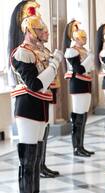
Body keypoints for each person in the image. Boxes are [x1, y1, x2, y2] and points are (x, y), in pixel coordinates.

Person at [9, 1, 63, 193]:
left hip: (40, 106)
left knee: (38, 154)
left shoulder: (40, 51)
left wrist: (52, 62)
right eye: (40, 29)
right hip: (28, 107)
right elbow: (36, 83)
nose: (44, 31)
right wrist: (55, 63)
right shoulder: (22, 53)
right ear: (30, 31)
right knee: (28, 156)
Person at [63, 20, 95, 157]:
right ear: (76, 38)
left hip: (85, 83)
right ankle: (76, 147)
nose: (85, 39)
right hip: (77, 84)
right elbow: (80, 69)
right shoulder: (71, 51)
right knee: (78, 116)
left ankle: (81, 145)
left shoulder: (84, 50)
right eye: (83, 37)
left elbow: (89, 68)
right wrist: (91, 57)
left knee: (83, 115)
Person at [36, 21, 60, 178]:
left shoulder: (44, 50)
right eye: (42, 30)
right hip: (37, 93)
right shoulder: (33, 52)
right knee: (38, 135)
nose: (47, 33)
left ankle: (42, 163)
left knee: (45, 130)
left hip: (48, 91)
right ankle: (38, 165)